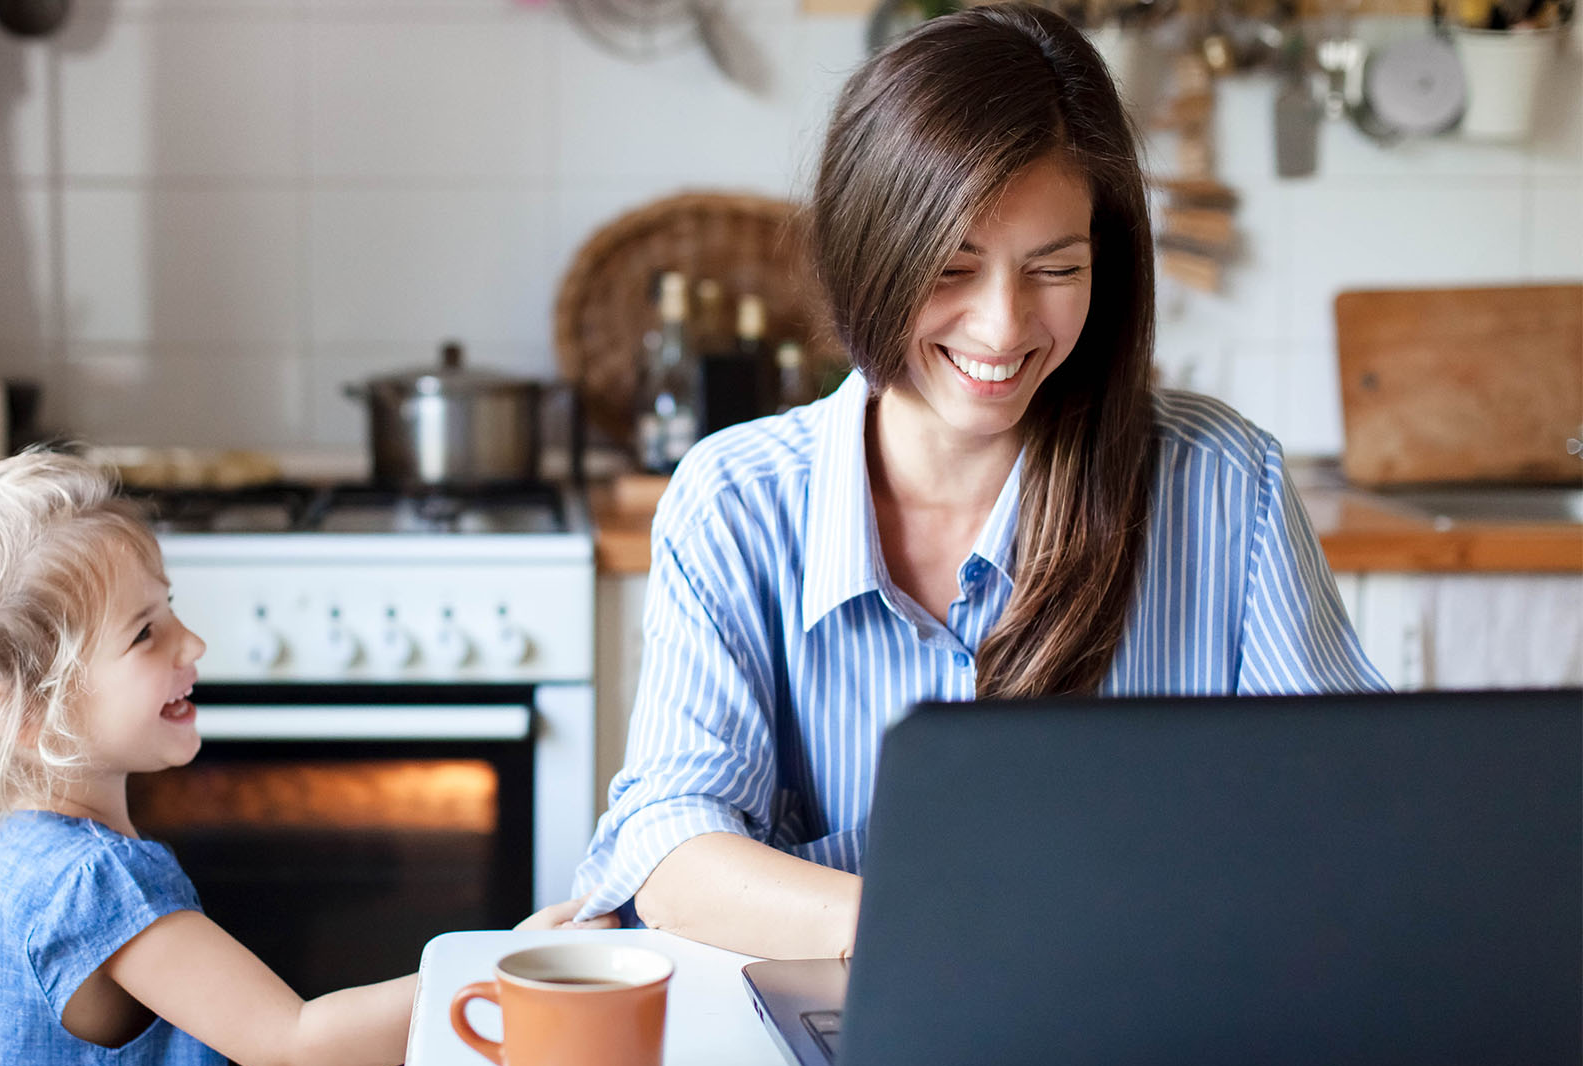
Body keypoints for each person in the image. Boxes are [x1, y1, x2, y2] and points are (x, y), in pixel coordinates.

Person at [571, 1, 1385, 960]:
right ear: (867, 252)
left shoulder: (1222, 486)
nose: (1003, 329)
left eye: (1055, 268)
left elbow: (1353, 817)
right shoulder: (736, 500)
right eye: (953, 268)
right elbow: (672, 851)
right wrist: (953, 929)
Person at [0, 451, 613, 1066]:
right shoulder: (96, 886)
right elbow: (295, 1041)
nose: (193, 644)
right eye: (146, 634)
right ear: (26, 713)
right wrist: (507, 972)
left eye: (169, 609)